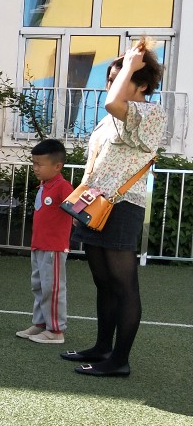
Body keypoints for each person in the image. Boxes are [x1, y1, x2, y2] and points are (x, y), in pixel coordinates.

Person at [62, 44, 166, 377]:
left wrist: (131, 63)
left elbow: (112, 102)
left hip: (122, 206)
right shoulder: (111, 119)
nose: (110, 84)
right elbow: (96, 162)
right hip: (95, 204)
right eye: (110, 78)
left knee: (124, 286)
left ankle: (119, 361)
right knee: (103, 282)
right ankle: (102, 347)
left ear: (143, 84)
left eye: (119, 78)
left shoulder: (150, 113)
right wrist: (79, 201)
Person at [16, 138, 72, 345]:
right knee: (39, 286)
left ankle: (56, 330)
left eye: (40, 164)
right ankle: (41, 324)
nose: (35, 168)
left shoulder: (63, 187)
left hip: (54, 248)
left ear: (57, 166)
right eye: (34, 163)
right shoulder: (45, 185)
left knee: (52, 288)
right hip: (39, 245)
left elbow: (76, 210)